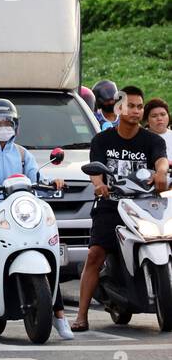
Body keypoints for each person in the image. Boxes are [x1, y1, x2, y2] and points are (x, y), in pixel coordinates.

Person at [0, 99, 72, 342]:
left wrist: (52, 182)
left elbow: (37, 177)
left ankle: (60, 316)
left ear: (15, 124)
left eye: (6, 122)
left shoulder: (22, 153)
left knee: (48, 256)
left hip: (21, 213)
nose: (2, 126)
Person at [73, 85, 170, 331]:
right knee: (95, 254)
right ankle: (81, 315)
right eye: (131, 106)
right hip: (111, 205)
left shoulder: (152, 140)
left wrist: (161, 173)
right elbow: (95, 169)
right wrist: (99, 185)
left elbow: (160, 159)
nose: (136, 111)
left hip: (146, 205)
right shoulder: (102, 140)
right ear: (118, 108)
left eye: (139, 107)